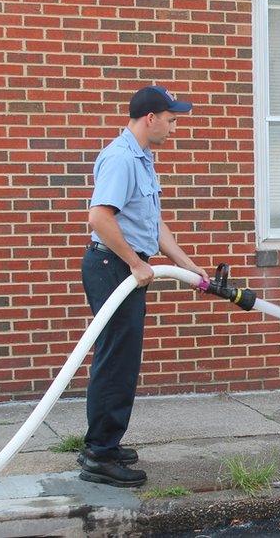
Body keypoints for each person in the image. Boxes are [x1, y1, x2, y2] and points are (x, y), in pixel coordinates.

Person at [78, 85, 209, 487]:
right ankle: (100, 455)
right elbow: (99, 218)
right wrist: (135, 263)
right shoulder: (121, 158)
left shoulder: (143, 159)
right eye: (171, 120)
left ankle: (105, 443)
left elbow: (154, 226)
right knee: (116, 361)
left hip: (124, 267)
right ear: (150, 118)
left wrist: (191, 269)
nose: (173, 128)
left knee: (121, 359)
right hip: (113, 267)